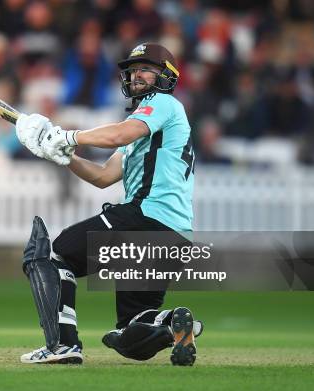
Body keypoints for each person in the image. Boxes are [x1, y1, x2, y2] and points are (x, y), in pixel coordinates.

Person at [15, 43, 202, 365]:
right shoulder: (144, 127)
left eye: (147, 68)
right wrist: (63, 156)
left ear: (167, 77)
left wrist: (66, 135)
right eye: (133, 69)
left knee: (52, 255)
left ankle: (63, 345)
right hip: (174, 234)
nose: (137, 74)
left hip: (146, 217)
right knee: (133, 331)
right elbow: (103, 176)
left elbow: (116, 136)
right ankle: (172, 323)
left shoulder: (162, 104)